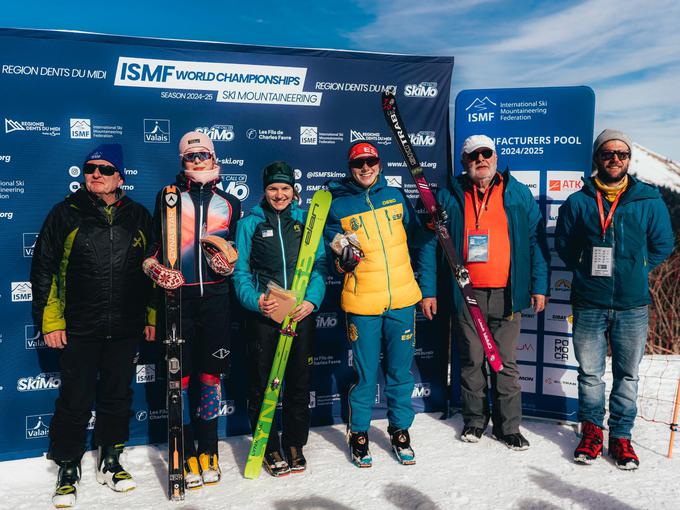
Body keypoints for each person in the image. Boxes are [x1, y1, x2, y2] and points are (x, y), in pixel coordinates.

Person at [30, 143, 154, 508]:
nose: (95, 175)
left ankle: (111, 458)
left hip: (125, 325)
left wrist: (150, 317)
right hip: (80, 326)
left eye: (104, 169)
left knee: (118, 395)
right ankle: (68, 466)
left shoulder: (138, 215)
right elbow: (44, 271)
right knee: (75, 398)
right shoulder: (65, 213)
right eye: (89, 169)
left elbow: (153, 271)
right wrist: (50, 320)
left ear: (120, 176)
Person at [419, 134, 549, 450]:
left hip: (507, 292)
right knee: (472, 360)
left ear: (495, 156)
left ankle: (508, 427)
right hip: (466, 293)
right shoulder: (449, 195)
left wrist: (540, 285)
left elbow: (535, 243)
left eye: (486, 153)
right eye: (473, 155)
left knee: (504, 362)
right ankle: (475, 421)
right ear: (464, 162)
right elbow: (429, 244)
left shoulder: (516, 193)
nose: (481, 159)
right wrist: (428, 291)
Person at [555, 129, 673, 469]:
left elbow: (662, 244)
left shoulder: (648, 200)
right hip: (589, 301)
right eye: (608, 153)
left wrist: (639, 267)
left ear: (629, 159)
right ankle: (592, 432)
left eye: (622, 153)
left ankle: (621, 437)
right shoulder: (578, 201)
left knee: (628, 374)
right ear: (597, 158)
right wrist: (582, 265)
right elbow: (564, 245)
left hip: (632, 304)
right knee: (590, 374)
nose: (615, 158)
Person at [143, 131, 241, 489]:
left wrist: (230, 262)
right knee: (179, 381)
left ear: (214, 159)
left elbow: (233, 250)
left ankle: (209, 450)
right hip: (178, 301)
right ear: (182, 161)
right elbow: (155, 248)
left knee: (210, 378)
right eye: (190, 156)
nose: (197, 161)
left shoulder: (229, 202)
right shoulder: (169, 198)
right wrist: (154, 270)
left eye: (203, 155)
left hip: (216, 301)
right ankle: (182, 451)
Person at [324, 141, 423, 467]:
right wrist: (344, 260)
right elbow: (333, 253)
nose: (365, 168)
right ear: (350, 168)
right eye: (358, 164)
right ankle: (360, 433)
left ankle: (400, 430)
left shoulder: (396, 197)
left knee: (399, 372)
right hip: (363, 302)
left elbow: (417, 239)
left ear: (379, 164)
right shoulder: (338, 205)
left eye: (371, 161)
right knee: (366, 376)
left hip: (401, 300)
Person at [232, 161, 326, 477]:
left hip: (299, 314)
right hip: (265, 316)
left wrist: (312, 301)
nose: (279, 194)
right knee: (263, 383)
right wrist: (255, 301)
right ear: (265, 190)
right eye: (273, 188)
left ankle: (295, 442)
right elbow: (241, 272)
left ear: (294, 191)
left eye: (285, 188)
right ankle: (269, 444)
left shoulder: (305, 222)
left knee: (298, 381)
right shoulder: (250, 224)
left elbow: (319, 265)